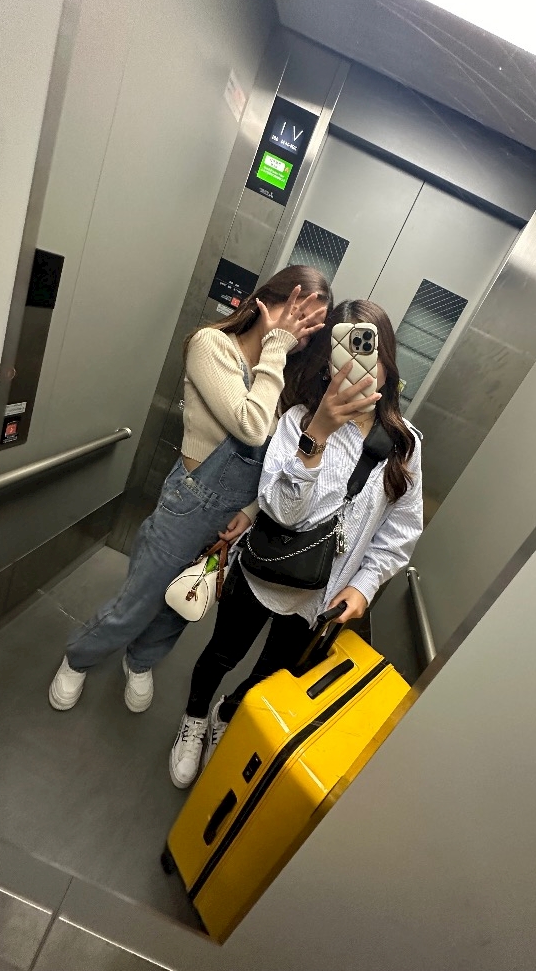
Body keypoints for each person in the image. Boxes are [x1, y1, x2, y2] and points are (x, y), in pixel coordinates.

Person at [49, 266, 332, 713]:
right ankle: (80, 657)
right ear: (268, 301)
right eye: (297, 312)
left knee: (181, 605)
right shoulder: (214, 346)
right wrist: (276, 347)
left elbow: (275, 464)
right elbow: (252, 426)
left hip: (233, 517)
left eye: (313, 326)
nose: (300, 330)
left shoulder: (281, 380)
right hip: (189, 504)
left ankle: (140, 661)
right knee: (140, 601)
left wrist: (251, 510)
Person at [169, 299, 423, 788]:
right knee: (221, 655)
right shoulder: (296, 422)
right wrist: (318, 434)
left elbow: (400, 530)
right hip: (262, 575)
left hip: (320, 599)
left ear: (387, 362)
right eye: (343, 351)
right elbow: (283, 512)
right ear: (327, 362)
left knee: (270, 674)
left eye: (367, 351)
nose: (355, 366)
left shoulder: (405, 445)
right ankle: (194, 718)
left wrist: (365, 585)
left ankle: (226, 714)